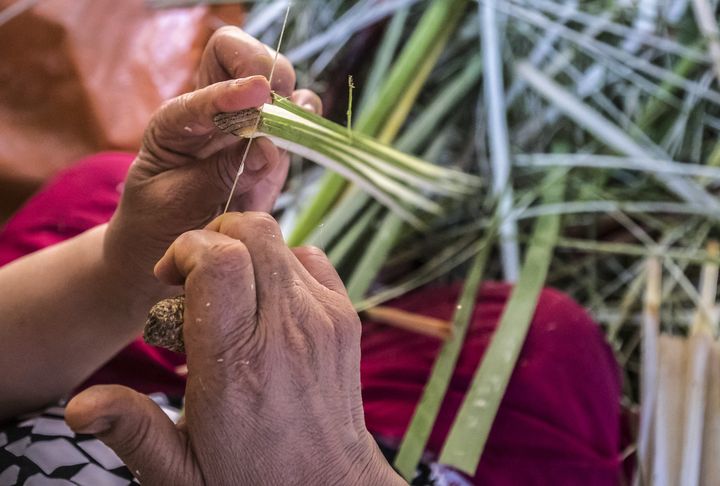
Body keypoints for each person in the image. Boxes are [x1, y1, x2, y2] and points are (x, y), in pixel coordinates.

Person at [0, 27, 623, 485]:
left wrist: (120, 273)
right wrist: (334, 468)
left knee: (102, 186)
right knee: (542, 347)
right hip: (350, 452)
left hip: (57, 367)